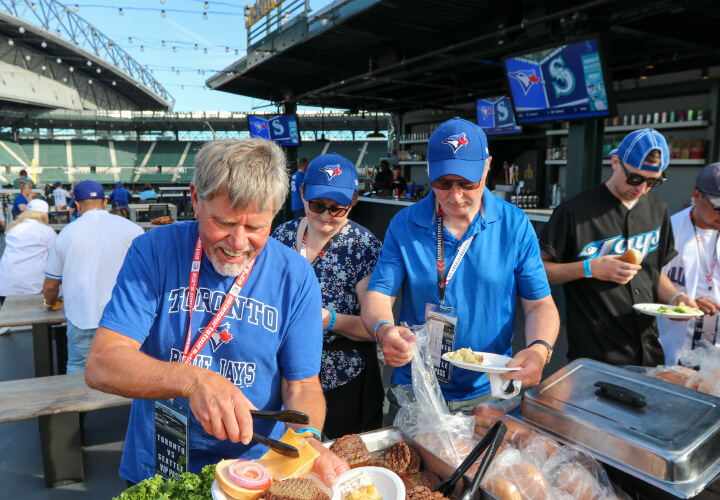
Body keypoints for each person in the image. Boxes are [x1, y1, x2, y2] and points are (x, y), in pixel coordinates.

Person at [84, 139, 348, 485]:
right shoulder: (154, 251)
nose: (238, 243)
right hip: (160, 463)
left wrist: (307, 441)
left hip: (256, 470)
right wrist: (193, 380)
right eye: (223, 222)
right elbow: (102, 363)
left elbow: (302, 384)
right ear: (195, 199)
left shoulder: (295, 277)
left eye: (255, 227)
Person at [361, 118, 559, 416]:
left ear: (487, 166)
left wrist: (539, 349)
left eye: (467, 183)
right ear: (430, 170)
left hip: (491, 389)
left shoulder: (514, 224)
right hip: (417, 389)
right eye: (442, 183)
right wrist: (383, 329)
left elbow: (539, 305)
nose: (454, 196)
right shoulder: (404, 224)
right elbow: (378, 294)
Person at [539, 128, 694, 367]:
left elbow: (654, 273)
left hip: (650, 350)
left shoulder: (658, 209)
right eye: (634, 178)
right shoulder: (575, 212)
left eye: (653, 181)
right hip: (595, 353)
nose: (641, 188)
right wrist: (589, 268)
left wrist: (676, 297)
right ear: (615, 162)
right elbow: (537, 271)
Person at [272, 153, 383, 438]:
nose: (325, 216)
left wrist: (329, 319)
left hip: (341, 376)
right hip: (285, 372)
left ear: (353, 203)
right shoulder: (281, 236)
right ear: (302, 193)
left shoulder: (362, 245)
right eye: (317, 205)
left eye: (337, 209)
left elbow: (375, 327)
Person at [43, 180, 144, 374]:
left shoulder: (66, 233)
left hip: (82, 316)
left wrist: (49, 303)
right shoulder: (133, 229)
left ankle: (77, 405)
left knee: (79, 367)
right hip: (125, 317)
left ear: (77, 204)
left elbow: (50, 286)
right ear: (105, 202)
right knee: (127, 370)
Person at [658, 163, 720, 364]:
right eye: (717, 207)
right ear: (696, 196)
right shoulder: (669, 230)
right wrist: (685, 304)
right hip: (675, 347)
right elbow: (649, 281)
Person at [0, 200, 56, 304]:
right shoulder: (47, 231)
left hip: (5, 284)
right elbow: (54, 259)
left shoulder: (13, 228)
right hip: (32, 286)